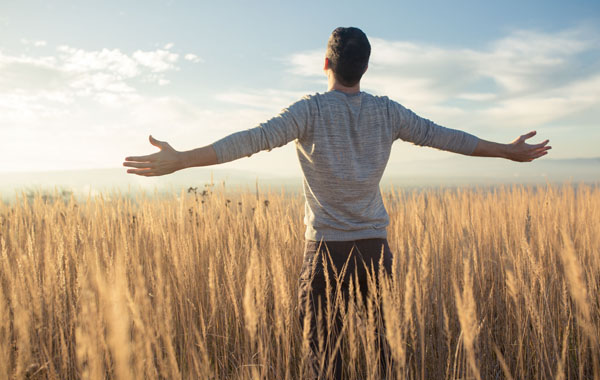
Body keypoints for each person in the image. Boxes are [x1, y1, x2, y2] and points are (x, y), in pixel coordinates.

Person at [123, 27, 551, 379]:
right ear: (364, 68)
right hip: (374, 252)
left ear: (326, 64)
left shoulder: (308, 111)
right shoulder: (389, 113)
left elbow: (249, 141)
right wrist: (506, 150)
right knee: (379, 360)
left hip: (325, 253)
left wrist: (182, 160)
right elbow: (448, 137)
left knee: (324, 363)